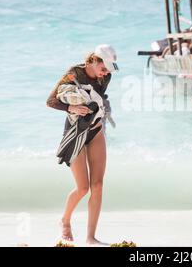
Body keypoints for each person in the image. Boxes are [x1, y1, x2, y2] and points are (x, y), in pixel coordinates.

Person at [47, 44, 119, 245]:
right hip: (76, 132)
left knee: (98, 185)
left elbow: (97, 98)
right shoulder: (73, 73)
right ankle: (65, 221)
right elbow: (50, 101)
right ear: (94, 60)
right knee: (83, 188)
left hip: (95, 130)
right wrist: (71, 106)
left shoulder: (105, 77)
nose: (105, 73)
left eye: (108, 70)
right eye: (103, 68)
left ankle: (90, 237)